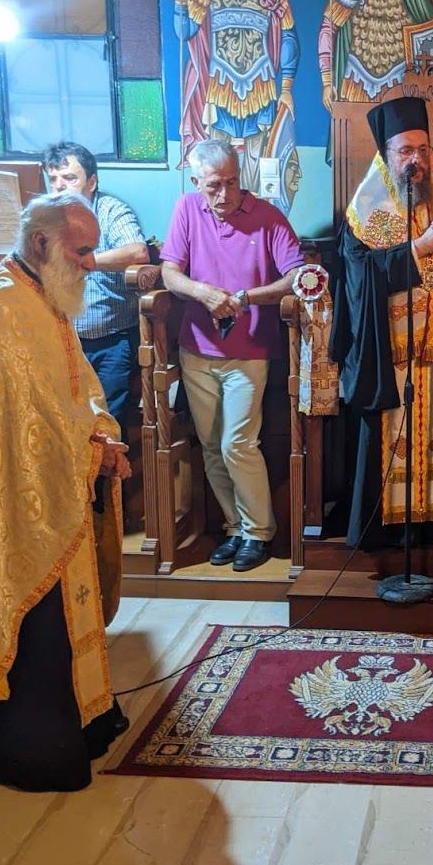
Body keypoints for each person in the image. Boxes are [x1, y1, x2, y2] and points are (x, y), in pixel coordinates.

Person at [0, 194, 132, 792]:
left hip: (60, 484)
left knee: (70, 622)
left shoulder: (46, 295)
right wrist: (92, 450)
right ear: (42, 243)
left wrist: (101, 433)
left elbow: (76, 388)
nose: (92, 263)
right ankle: (35, 751)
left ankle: (86, 724)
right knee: (39, 633)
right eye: (82, 251)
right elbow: (23, 427)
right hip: (22, 504)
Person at [328, 96, 433, 548]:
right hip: (390, 352)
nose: (416, 160)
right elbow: (358, 278)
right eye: (405, 151)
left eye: (422, 149)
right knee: (388, 443)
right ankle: (387, 537)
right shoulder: (366, 209)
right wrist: (417, 249)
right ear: (387, 155)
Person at [160, 139, 303, 571]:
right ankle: (235, 527)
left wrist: (245, 297)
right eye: (213, 186)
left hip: (249, 351)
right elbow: (170, 272)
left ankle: (259, 531)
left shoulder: (267, 215)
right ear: (196, 182)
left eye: (231, 183)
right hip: (197, 348)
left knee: (237, 443)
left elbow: (298, 275)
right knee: (210, 446)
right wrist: (202, 293)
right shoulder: (187, 209)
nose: (224, 194)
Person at [175, 0, 300, 190]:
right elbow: (185, 32)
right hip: (221, 81)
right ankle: (219, 209)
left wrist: (287, 87)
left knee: (257, 151)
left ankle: (253, 206)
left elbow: (288, 35)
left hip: (260, 82)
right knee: (217, 154)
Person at [42, 141, 151, 440]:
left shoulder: (110, 210)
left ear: (92, 182)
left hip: (111, 338)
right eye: (53, 179)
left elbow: (138, 251)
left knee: (105, 425)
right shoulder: (45, 219)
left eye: (69, 178)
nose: (59, 186)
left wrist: (84, 261)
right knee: (61, 424)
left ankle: (109, 472)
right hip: (62, 339)